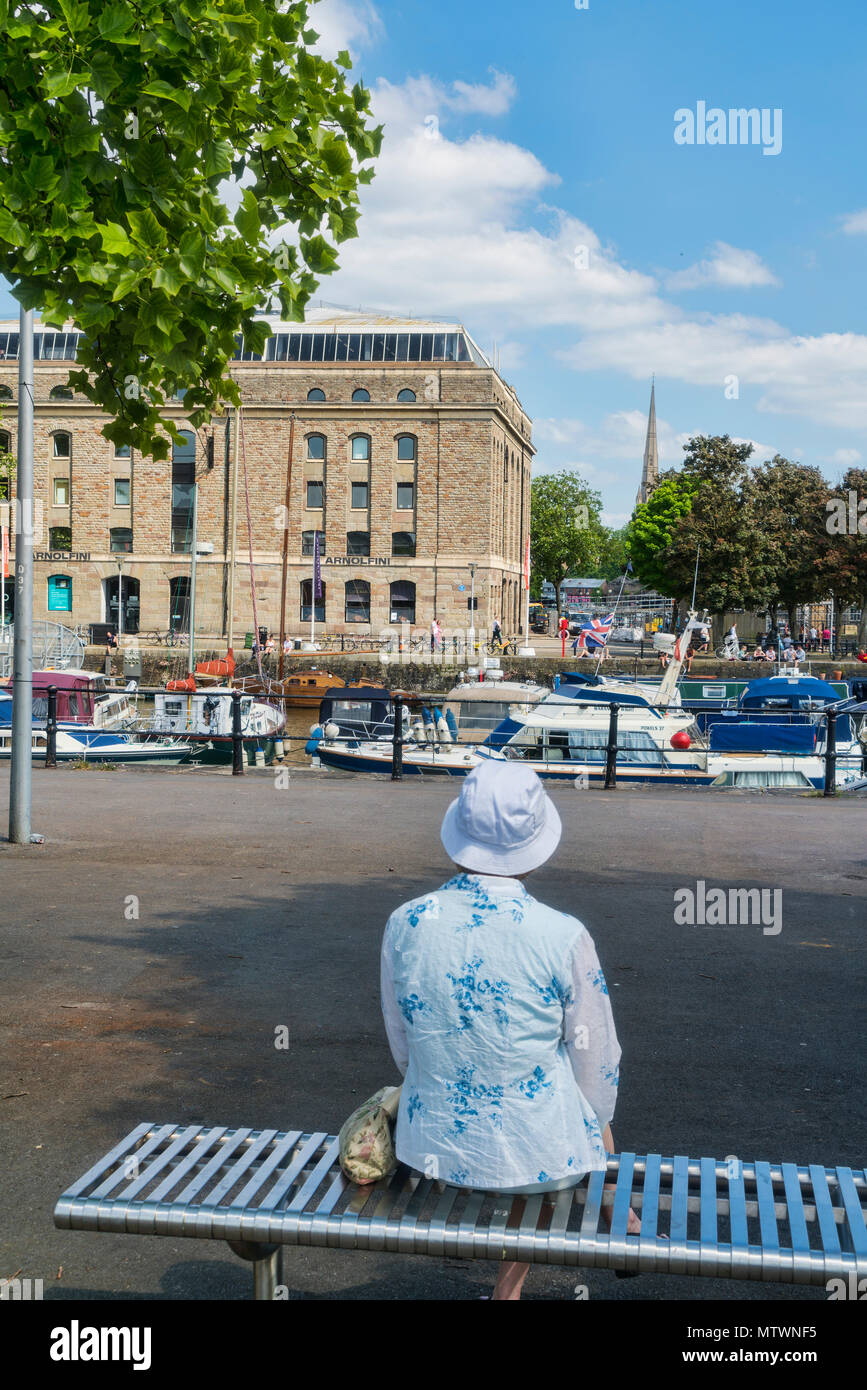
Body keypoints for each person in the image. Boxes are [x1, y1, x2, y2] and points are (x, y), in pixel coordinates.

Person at [380, 761, 633, 1302]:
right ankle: (525, 1276)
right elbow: (598, 1059)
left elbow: (403, 1041)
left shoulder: (405, 921)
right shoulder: (562, 935)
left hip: (432, 1142)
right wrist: (599, 1124)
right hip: (535, 1154)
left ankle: (612, 1201)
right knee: (559, 1104)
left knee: (538, 1095)